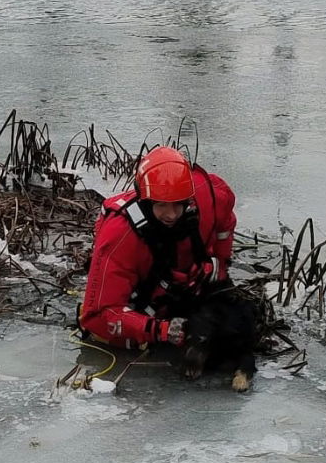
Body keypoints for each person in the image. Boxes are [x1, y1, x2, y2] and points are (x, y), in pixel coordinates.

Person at [79, 146, 237, 353]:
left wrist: (221, 263)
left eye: (177, 205)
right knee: (108, 336)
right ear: (146, 202)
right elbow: (96, 317)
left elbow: (225, 211)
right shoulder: (119, 236)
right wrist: (159, 330)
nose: (171, 215)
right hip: (142, 281)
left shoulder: (204, 196)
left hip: (180, 276)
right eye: (161, 205)